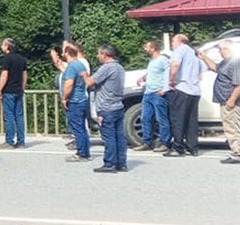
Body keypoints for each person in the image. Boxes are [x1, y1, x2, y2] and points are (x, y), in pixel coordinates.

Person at [199, 40, 240, 164]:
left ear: (229, 49)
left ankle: (237, 154)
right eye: (220, 49)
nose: (220, 52)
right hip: (227, 100)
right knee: (236, 128)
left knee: (233, 128)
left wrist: (231, 100)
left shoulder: (235, 62)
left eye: (222, 49)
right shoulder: (226, 62)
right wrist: (204, 57)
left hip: (233, 101)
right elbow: (216, 68)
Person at [81, 44, 127, 173]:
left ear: (105, 55)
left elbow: (91, 82)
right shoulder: (119, 67)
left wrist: (85, 75)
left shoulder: (107, 68)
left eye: (99, 54)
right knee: (119, 136)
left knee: (109, 136)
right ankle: (121, 162)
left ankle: (110, 163)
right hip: (118, 105)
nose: (98, 56)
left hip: (106, 107)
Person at [166, 33, 204, 157]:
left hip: (182, 88)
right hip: (195, 90)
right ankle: (192, 147)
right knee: (191, 120)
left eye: (173, 41)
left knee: (178, 118)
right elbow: (202, 71)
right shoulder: (194, 53)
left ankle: (178, 146)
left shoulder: (180, 50)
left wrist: (171, 80)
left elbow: (175, 64)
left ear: (180, 41)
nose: (172, 44)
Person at [132, 39, 171, 152]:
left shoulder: (163, 60)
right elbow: (152, 72)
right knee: (145, 118)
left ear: (153, 48)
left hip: (158, 93)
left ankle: (165, 142)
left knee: (161, 119)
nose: (145, 49)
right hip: (148, 92)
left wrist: (165, 89)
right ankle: (147, 142)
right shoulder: (152, 61)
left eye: (147, 47)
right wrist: (143, 77)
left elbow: (169, 73)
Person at [0, 38, 28, 149]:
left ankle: (9, 141)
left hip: (9, 90)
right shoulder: (22, 59)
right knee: (19, 116)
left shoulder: (7, 59)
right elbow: (24, 75)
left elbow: (5, 75)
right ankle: (21, 141)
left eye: (2, 45)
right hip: (18, 90)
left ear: (6, 46)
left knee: (9, 116)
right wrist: (22, 88)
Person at [60, 45, 90, 162]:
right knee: (82, 128)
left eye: (63, 52)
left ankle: (81, 153)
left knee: (77, 128)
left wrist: (64, 97)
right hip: (83, 99)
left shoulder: (72, 66)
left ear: (67, 53)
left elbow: (69, 83)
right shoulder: (81, 64)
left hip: (75, 101)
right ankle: (86, 152)